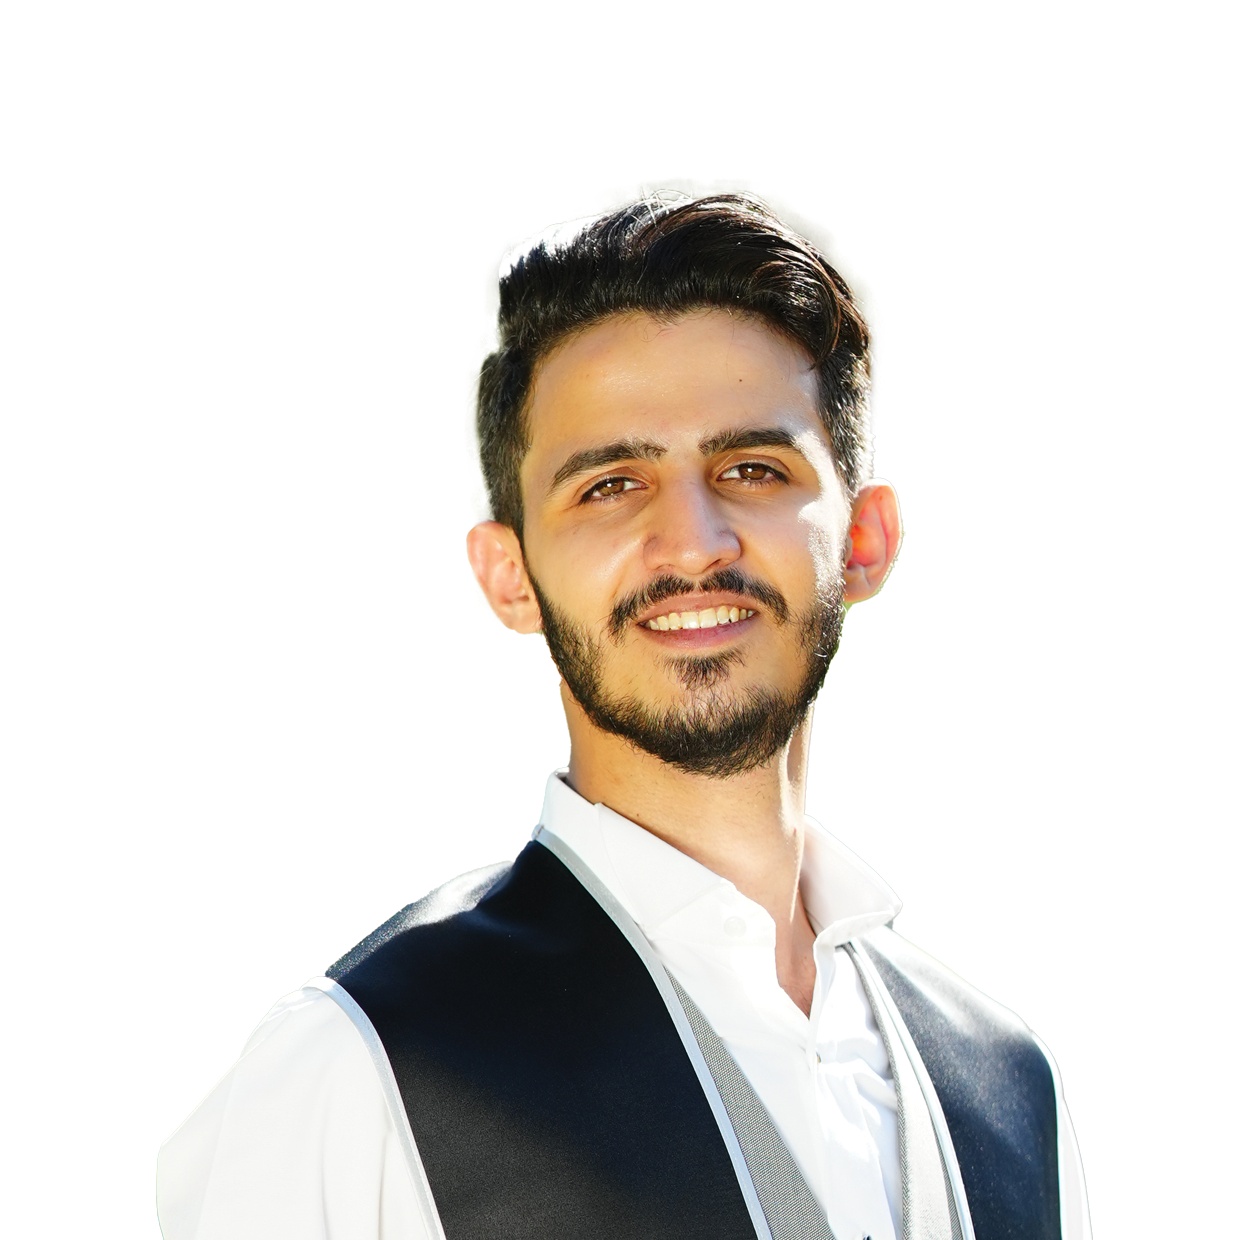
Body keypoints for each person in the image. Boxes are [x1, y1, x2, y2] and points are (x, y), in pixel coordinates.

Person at [157, 194, 1090, 1240]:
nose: (691, 542)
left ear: (865, 540)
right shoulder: (365, 1065)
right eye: (609, 485)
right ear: (509, 575)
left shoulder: (1008, 1094)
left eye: (752, 469)